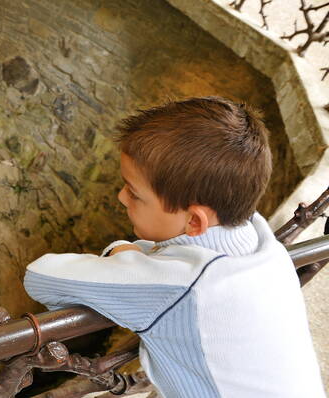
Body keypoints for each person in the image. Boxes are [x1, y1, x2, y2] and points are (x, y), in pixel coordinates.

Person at [23, 97, 325, 397]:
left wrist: (121, 252)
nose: (121, 197)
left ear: (194, 221)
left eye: (134, 192)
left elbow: (40, 277)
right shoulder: (263, 244)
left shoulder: (180, 286)